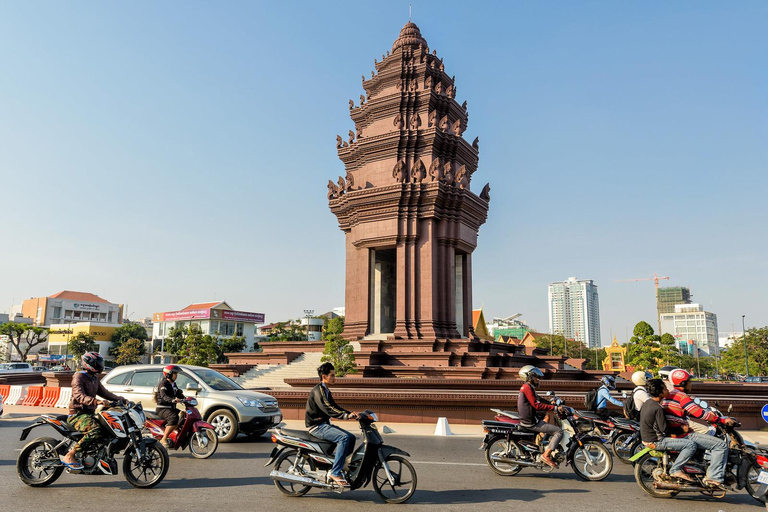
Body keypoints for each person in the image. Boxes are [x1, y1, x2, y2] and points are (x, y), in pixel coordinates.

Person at [662, 368, 735, 489]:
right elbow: (699, 413)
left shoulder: (671, 394)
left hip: (676, 430)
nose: (691, 384)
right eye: (689, 382)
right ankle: (714, 478)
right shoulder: (682, 396)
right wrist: (720, 420)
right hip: (682, 434)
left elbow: (687, 411)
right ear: (683, 383)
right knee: (721, 445)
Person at [61, 352, 126, 469]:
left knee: (109, 428)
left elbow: (105, 393)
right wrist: (97, 401)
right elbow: (79, 395)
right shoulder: (79, 376)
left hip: (89, 414)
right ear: (89, 364)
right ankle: (70, 455)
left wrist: (123, 399)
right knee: (95, 430)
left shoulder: (94, 378)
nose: (100, 365)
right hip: (77, 414)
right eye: (98, 363)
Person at [305, 363, 360, 486]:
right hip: (317, 426)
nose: (335, 378)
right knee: (344, 438)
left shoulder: (326, 390)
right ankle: (335, 472)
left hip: (324, 424)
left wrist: (351, 414)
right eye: (332, 375)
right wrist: (346, 416)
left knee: (350, 437)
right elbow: (327, 407)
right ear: (324, 376)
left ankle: (342, 465)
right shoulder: (318, 391)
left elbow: (335, 407)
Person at [639, 378, 697, 482]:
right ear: (660, 392)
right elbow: (664, 429)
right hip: (657, 441)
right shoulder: (658, 408)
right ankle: (676, 469)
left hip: (646, 439)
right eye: (665, 389)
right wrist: (681, 429)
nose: (668, 391)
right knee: (690, 445)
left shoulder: (647, 403)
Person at [517, 365, 565, 468]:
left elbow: (538, 399)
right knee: (559, 431)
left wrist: (551, 404)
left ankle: (545, 446)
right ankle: (546, 455)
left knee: (548, 424)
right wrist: (555, 408)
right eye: (535, 377)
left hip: (531, 418)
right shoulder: (527, 388)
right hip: (531, 422)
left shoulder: (528, 387)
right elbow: (536, 405)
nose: (537, 379)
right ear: (529, 377)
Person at [156, 365, 185, 448]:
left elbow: (179, 393)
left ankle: (173, 433)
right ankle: (164, 438)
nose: (176, 375)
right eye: (175, 373)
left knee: (183, 415)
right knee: (173, 417)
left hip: (171, 408)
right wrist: (172, 400)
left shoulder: (173, 384)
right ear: (169, 374)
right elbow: (164, 396)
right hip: (162, 408)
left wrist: (186, 399)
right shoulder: (163, 384)